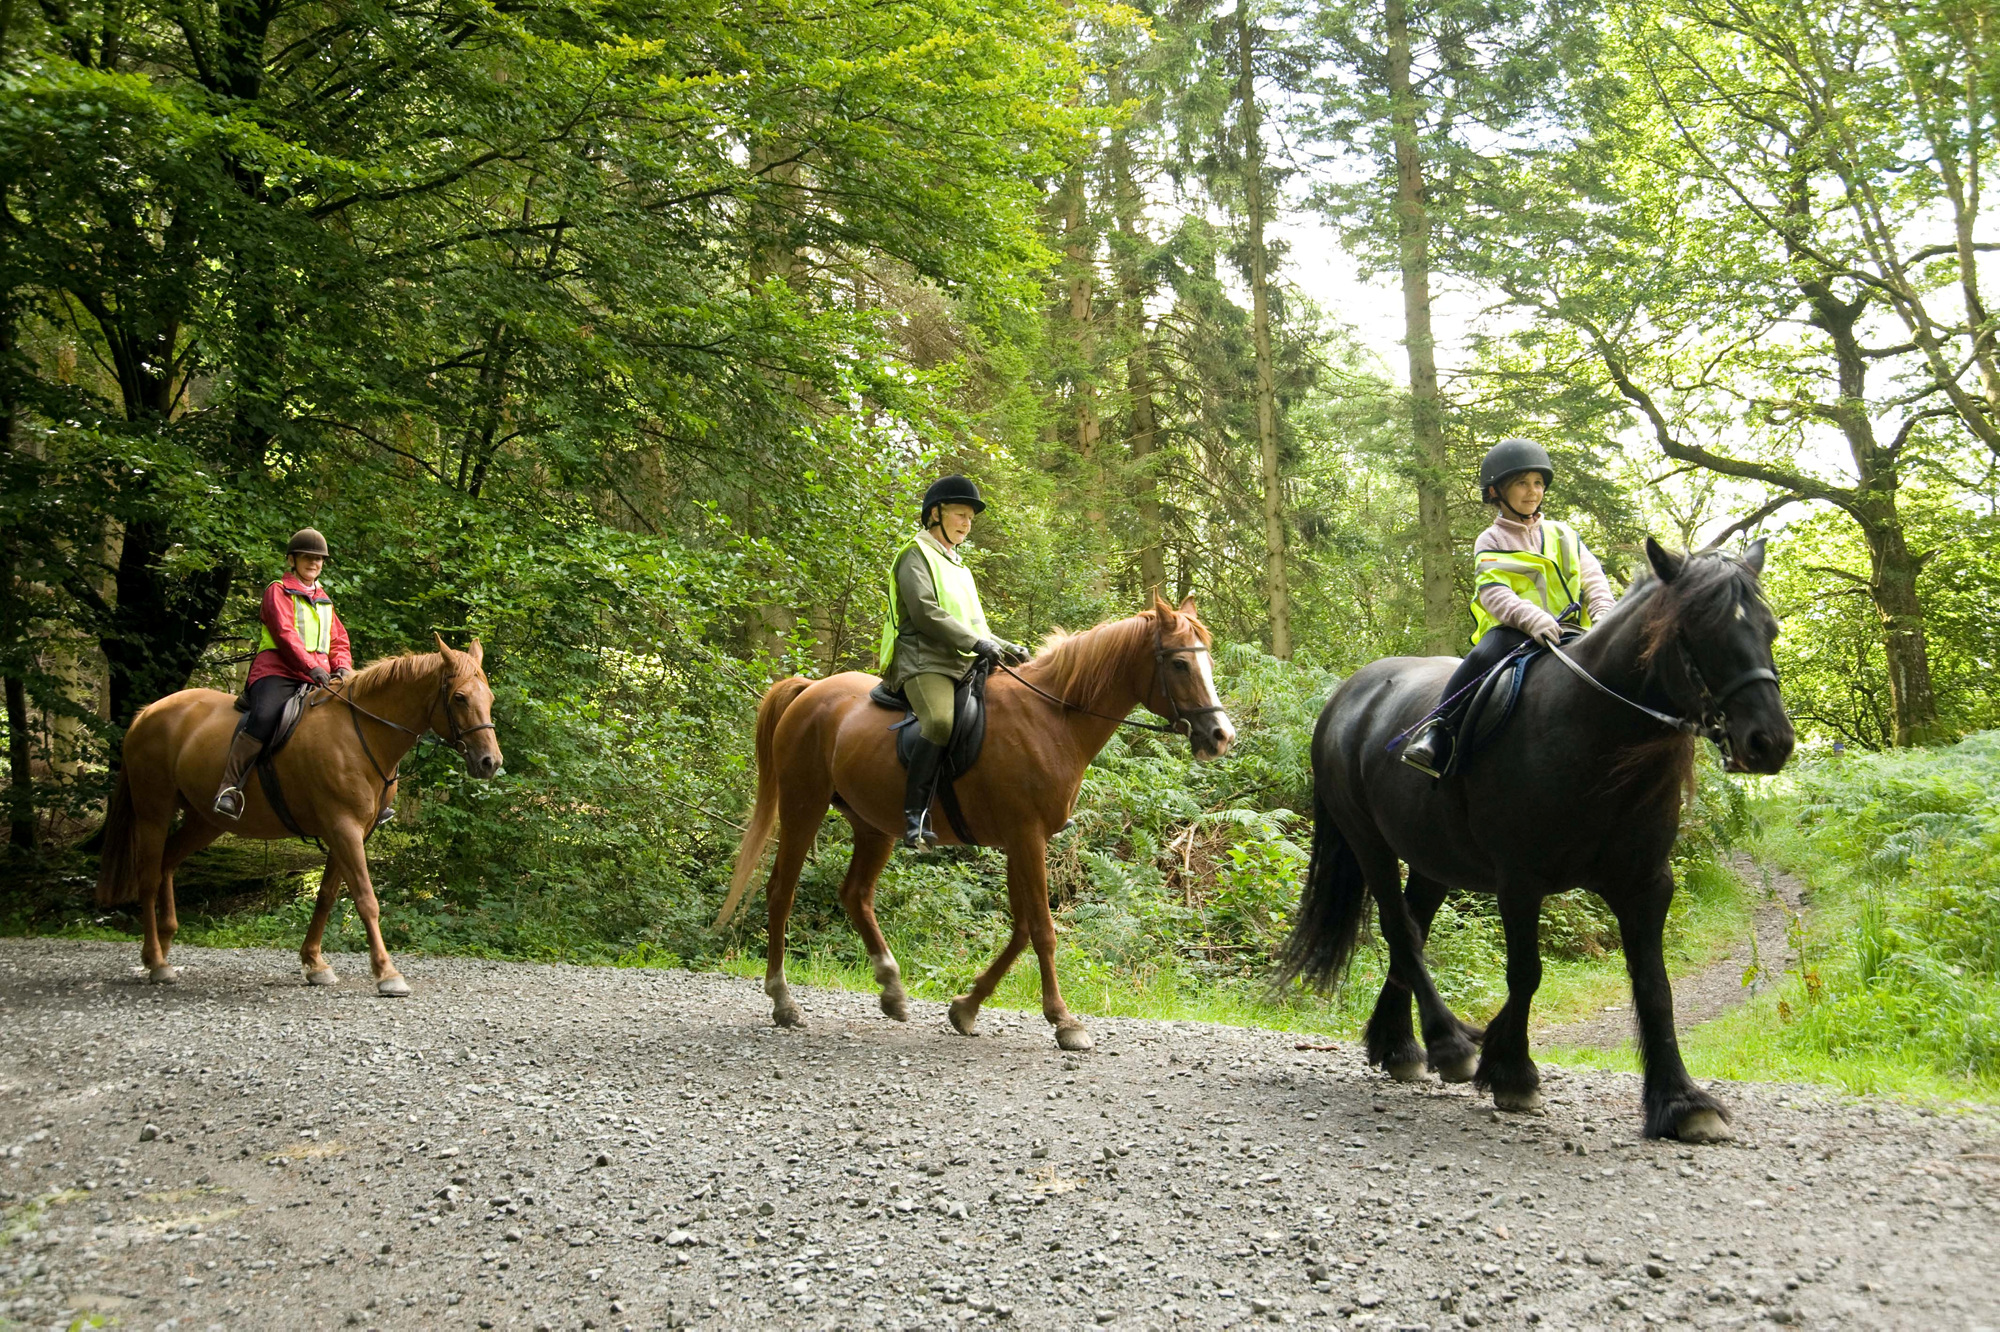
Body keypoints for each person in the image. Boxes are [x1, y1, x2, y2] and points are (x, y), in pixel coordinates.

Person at [1400, 438, 1617, 778]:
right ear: (1496, 492)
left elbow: (1594, 579)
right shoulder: (1491, 540)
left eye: (1538, 483)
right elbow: (1494, 592)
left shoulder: (1564, 535)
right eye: (1521, 483)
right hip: (1514, 634)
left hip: (1573, 631)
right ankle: (1439, 730)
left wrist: (1605, 615)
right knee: (1480, 658)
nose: (1532, 492)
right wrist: (1533, 619)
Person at [878, 476, 1030, 848]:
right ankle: (915, 816)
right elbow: (926, 613)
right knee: (941, 720)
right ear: (935, 514)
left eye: (970, 518)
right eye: (960, 514)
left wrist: (1006, 646)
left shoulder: (959, 566)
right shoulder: (914, 554)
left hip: (961, 660)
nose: (966, 522)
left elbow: (976, 625)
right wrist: (976, 643)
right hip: (922, 660)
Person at [212, 528, 353, 821]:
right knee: (264, 717)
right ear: (292, 560)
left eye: (318, 559)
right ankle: (230, 787)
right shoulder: (278, 590)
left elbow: (339, 639)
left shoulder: (325, 600)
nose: (313, 563)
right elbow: (285, 633)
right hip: (278, 671)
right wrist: (310, 666)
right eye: (306, 557)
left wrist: (342, 667)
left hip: (319, 676)